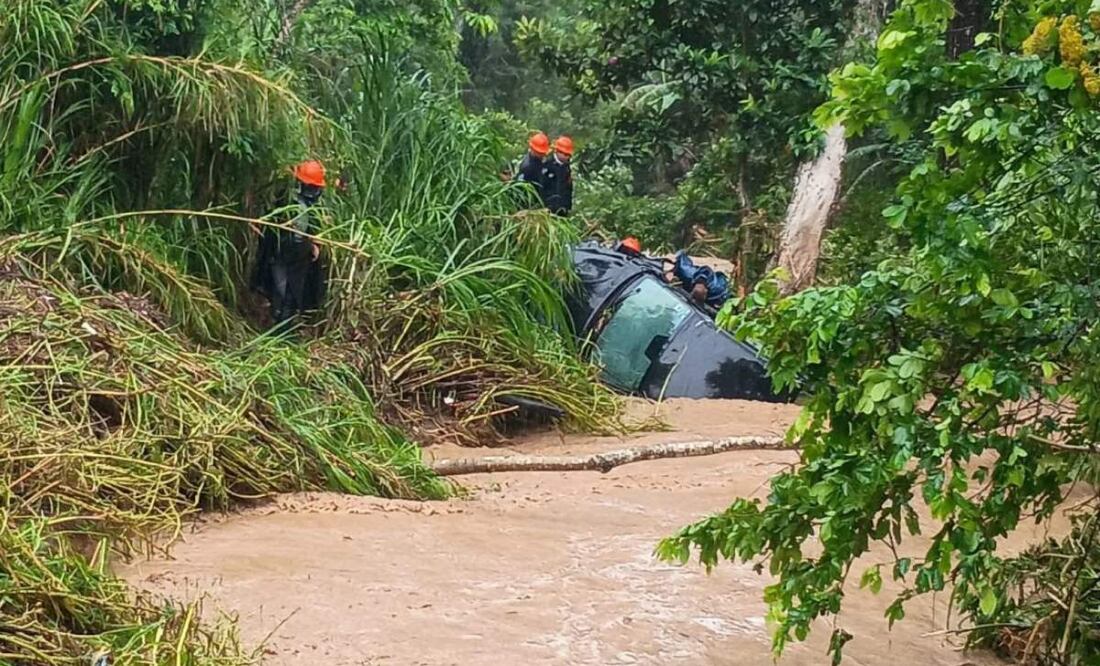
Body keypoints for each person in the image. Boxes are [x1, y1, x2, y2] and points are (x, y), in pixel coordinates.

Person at [251, 160, 328, 329]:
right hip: (287, 258)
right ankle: (280, 333)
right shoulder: (299, 207)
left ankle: (280, 327)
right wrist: (310, 248)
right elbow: (298, 239)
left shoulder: (287, 199)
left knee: (283, 293)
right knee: (287, 296)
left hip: (277, 255)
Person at [512, 132, 550, 207]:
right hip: (528, 203)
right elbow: (519, 188)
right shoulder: (527, 167)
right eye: (539, 153)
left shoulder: (540, 161)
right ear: (532, 149)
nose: (541, 155)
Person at [542, 136, 574, 217]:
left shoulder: (566, 167)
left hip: (561, 209)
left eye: (568, 155)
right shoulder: (547, 164)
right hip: (547, 209)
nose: (567, 157)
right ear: (557, 151)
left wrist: (567, 207)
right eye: (564, 154)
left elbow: (568, 188)